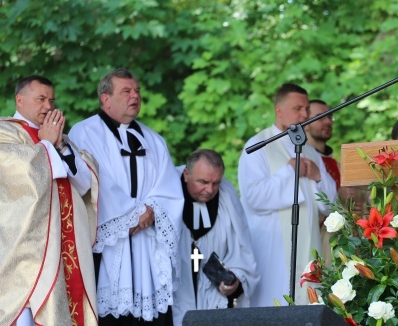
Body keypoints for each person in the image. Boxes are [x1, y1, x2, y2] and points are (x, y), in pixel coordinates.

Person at [69, 69, 183, 325]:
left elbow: (168, 187)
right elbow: (95, 181)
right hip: (110, 246)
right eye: (126, 91)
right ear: (105, 99)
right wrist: (131, 217)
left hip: (147, 246)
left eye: (137, 91)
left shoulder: (154, 140)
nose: (135, 96)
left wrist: (152, 211)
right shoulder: (84, 132)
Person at [0, 75, 99, 326]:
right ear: (19, 100)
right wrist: (47, 144)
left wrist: (61, 147)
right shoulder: (5, 131)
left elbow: (85, 183)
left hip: (64, 247)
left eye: (51, 100)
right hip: (25, 251)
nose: (48, 106)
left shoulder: (59, 138)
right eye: (41, 99)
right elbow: (16, 174)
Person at [238, 83, 338, 306]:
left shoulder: (310, 150)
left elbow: (332, 206)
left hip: (309, 248)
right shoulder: (257, 146)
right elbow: (254, 198)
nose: (304, 115)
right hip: (273, 252)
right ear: (279, 110)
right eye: (298, 109)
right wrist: (288, 171)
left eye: (306, 109)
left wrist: (317, 177)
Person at [172, 149, 259, 324]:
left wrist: (235, 281)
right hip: (176, 299)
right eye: (203, 182)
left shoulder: (227, 197)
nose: (210, 189)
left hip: (213, 300)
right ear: (186, 174)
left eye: (216, 183)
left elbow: (242, 251)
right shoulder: (168, 191)